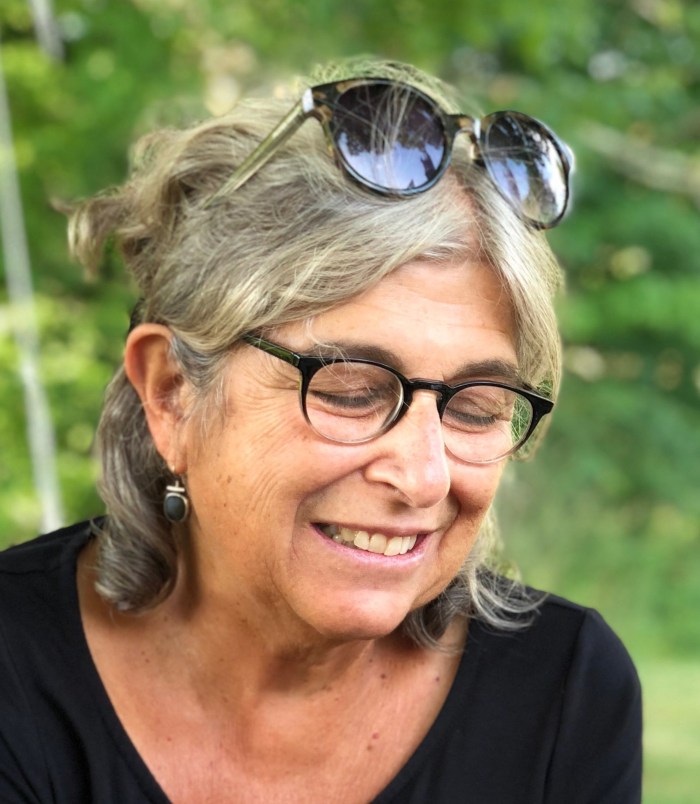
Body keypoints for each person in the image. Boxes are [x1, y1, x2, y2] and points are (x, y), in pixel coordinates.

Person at [0, 60, 641, 803]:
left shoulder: (565, 695)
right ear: (172, 394)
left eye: (476, 406)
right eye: (350, 390)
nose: (424, 476)